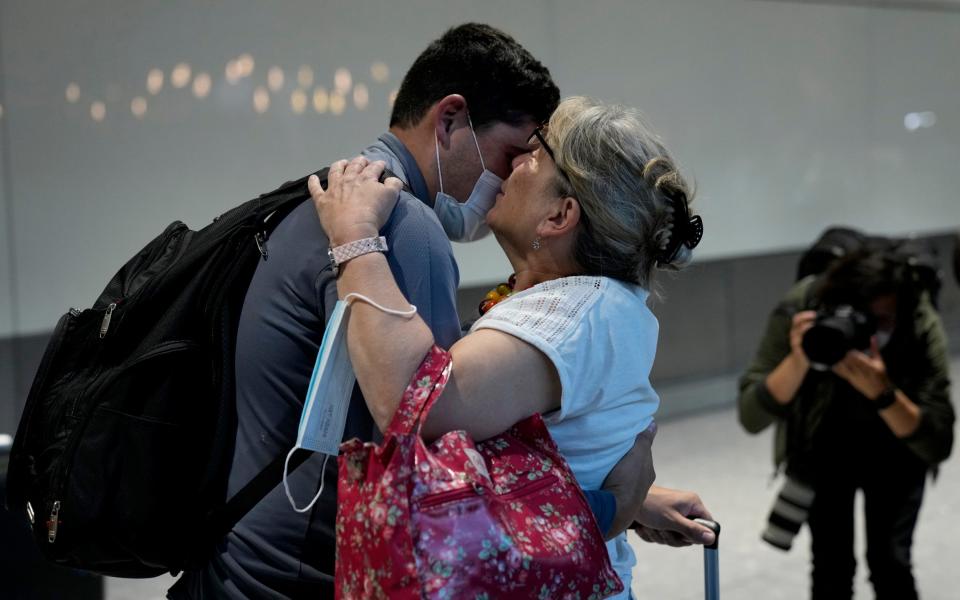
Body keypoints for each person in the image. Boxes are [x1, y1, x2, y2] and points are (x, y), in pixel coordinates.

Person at [170, 25, 696, 600]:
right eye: (513, 153)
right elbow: (430, 434)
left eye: (529, 160)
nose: (507, 175)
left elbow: (438, 421)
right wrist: (612, 503)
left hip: (251, 556)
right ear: (449, 121)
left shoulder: (335, 200)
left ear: (561, 215)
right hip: (296, 572)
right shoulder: (401, 223)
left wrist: (620, 499)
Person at [309, 95, 709, 597]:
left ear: (560, 215)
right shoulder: (599, 304)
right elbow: (556, 452)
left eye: (534, 157)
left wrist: (355, 236)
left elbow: (418, 398)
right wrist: (623, 505)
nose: (512, 163)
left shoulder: (574, 310)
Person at [738, 249, 954, 599]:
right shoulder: (805, 307)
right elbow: (751, 416)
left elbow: (938, 442)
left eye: (879, 322)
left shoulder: (917, 317)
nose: (862, 333)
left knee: (890, 563)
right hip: (825, 447)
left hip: (896, 451)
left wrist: (883, 394)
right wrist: (800, 358)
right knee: (830, 567)